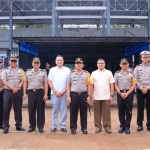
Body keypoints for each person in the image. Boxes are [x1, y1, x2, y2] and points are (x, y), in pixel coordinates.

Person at [23, 57, 48, 133]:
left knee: (40, 110)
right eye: (35, 63)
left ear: (40, 64)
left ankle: (40, 126)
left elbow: (45, 84)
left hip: (40, 92)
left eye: (37, 63)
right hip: (31, 93)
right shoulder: (28, 72)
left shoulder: (43, 72)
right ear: (32, 64)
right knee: (31, 110)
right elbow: (25, 83)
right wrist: (24, 93)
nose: (36, 64)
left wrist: (46, 94)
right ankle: (32, 126)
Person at [67, 58, 91, 135]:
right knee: (73, 112)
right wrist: (68, 96)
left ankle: (84, 128)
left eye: (80, 63)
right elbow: (68, 85)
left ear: (82, 65)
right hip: (74, 94)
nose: (78, 64)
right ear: (75, 65)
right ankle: (73, 128)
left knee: (84, 112)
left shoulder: (87, 74)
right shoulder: (70, 74)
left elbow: (88, 85)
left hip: (84, 94)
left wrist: (89, 96)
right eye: (77, 63)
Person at [1, 56, 25, 134]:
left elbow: (22, 80)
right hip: (8, 91)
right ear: (9, 62)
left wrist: (17, 88)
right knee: (6, 109)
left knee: (18, 109)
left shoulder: (21, 71)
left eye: (15, 61)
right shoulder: (5, 71)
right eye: (12, 61)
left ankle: (18, 125)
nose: (13, 63)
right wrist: (12, 88)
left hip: (18, 91)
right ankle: (6, 126)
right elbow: (4, 81)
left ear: (16, 62)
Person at [90, 58, 115, 134]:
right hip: (96, 96)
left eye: (102, 63)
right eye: (99, 63)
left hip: (106, 96)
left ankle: (107, 127)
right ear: (97, 64)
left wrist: (111, 95)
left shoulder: (109, 73)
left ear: (105, 64)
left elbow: (112, 84)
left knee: (106, 112)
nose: (101, 64)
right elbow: (91, 85)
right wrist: (91, 96)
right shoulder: (93, 73)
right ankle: (98, 127)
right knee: (97, 113)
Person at [114, 58, 137, 134]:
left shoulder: (132, 73)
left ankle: (127, 126)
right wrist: (120, 93)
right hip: (120, 93)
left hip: (129, 93)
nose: (124, 65)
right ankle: (122, 126)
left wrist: (127, 93)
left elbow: (134, 84)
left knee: (128, 110)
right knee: (121, 110)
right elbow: (115, 85)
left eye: (125, 64)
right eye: (122, 64)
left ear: (128, 64)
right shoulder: (117, 73)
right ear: (120, 65)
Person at [48, 55, 70, 133]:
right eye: (58, 60)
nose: (59, 61)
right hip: (54, 94)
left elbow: (69, 82)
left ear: (63, 61)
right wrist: (55, 91)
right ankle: (54, 126)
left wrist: (64, 91)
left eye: (61, 60)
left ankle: (63, 126)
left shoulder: (67, 70)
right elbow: (49, 81)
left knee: (64, 110)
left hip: (64, 94)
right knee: (54, 110)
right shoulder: (52, 70)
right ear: (55, 61)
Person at [134, 50, 150, 132]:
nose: (145, 58)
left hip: (149, 89)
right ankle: (139, 125)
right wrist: (141, 88)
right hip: (140, 90)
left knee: (149, 107)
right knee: (140, 107)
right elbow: (135, 79)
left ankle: (149, 125)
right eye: (144, 57)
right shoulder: (137, 68)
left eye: (147, 57)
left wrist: (147, 87)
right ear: (141, 58)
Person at [0, 58, 4, 129]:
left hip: (2, 90)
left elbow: (6, 81)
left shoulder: (4, 71)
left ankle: (1, 124)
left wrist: (2, 88)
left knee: (1, 108)